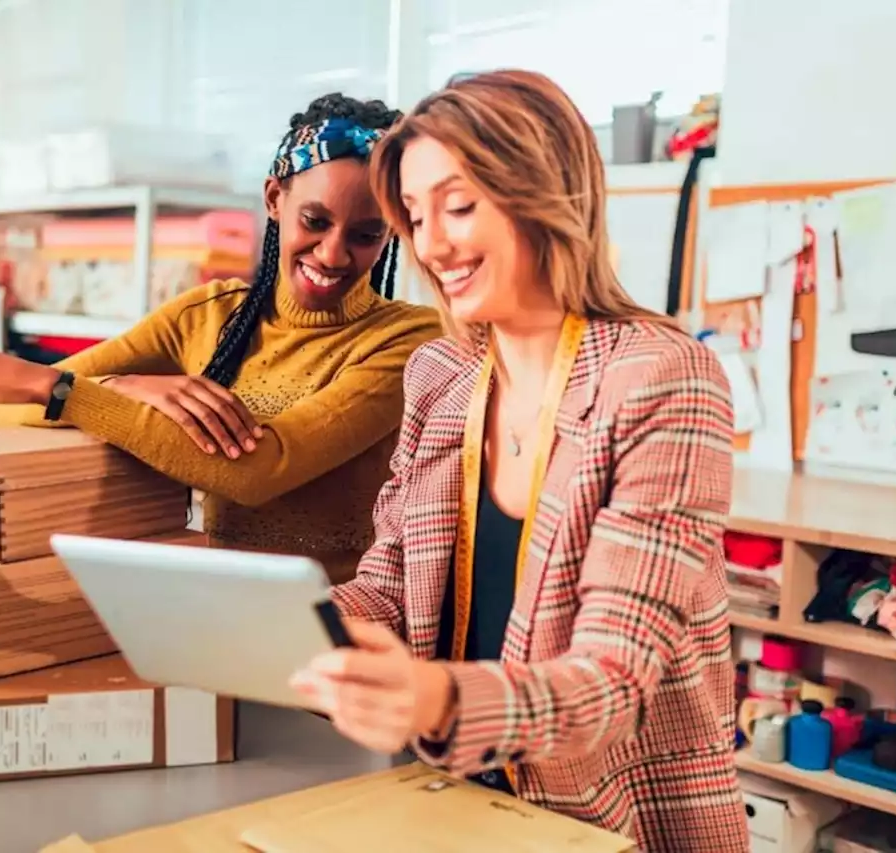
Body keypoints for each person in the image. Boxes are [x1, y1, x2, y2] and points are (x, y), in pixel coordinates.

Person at [289, 71, 748, 852]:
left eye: (459, 206)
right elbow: (392, 586)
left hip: (615, 823)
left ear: (543, 192)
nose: (432, 244)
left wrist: (433, 697)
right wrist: (299, 626)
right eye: (416, 215)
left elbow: (610, 683)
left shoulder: (661, 377)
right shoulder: (441, 377)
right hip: (458, 801)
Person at [0, 94, 442, 583]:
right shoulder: (209, 314)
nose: (332, 254)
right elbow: (11, 408)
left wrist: (66, 390)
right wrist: (124, 385)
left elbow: (260, 469)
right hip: (216, 617)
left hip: (343, 631)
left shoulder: (407, 341)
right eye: (315, 220)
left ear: (391, 232)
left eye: (365, 235)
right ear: (273, 199)